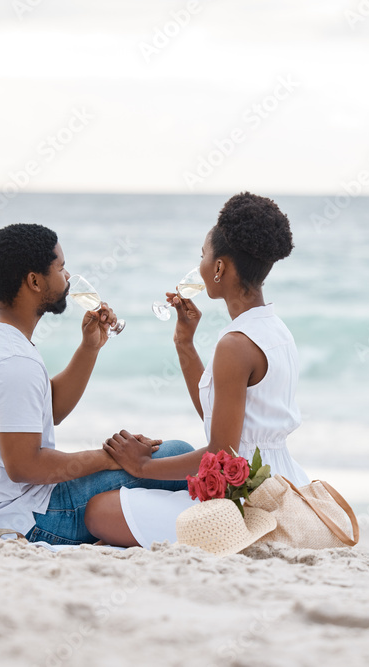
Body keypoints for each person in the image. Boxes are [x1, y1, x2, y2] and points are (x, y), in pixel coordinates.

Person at [0, 223, 193, 546]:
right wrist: (113, 458)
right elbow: (25, 466)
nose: (68, 277)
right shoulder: (13, 361)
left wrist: (89, 348)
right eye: (60, 267)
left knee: (167, 460)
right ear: (34, 281)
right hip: (22, 518)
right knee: (179, 456)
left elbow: (47, 410)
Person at [84, 192, 309, 547]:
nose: (201, 264)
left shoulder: (235, 344)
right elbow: (220, 418)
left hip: (243, 498)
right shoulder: (276, 330)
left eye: (203, 256)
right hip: (283, 483)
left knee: (98, 511)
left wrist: (141, 467)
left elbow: (221, 452)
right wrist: (185, 344)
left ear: (219, 268)